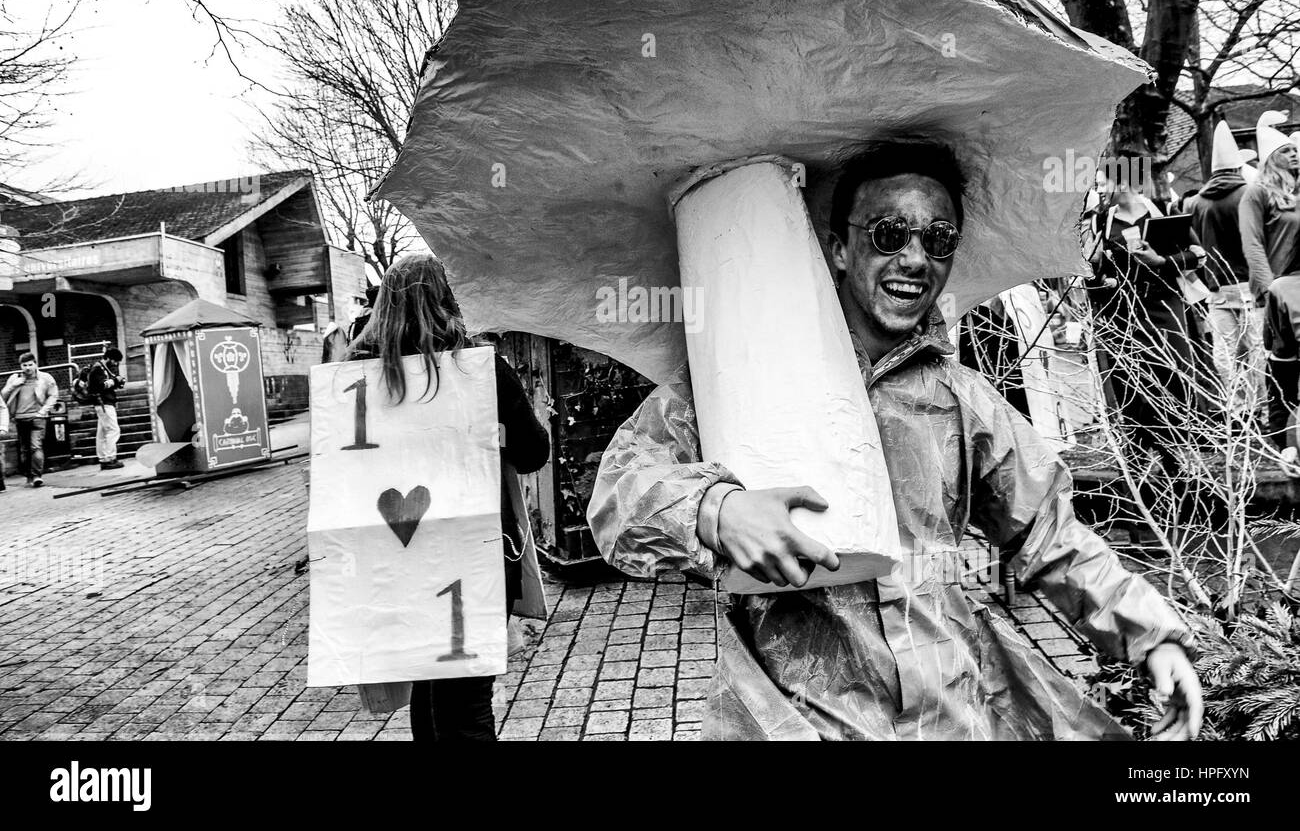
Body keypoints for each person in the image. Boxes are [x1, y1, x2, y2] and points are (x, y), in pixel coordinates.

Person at [588, 140, 1202, 741]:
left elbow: (1051, 535)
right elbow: (619, 493)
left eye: (938, 240)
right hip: (797, 717)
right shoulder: (745, 375)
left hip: (955, 715)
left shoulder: (965, 400)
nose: (914, 258)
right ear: (839, 249)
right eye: (889, 233)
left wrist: (1152, 638)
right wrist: (716, 509)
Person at [346, 254, 550, 741]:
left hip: (398, 552)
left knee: (431, 681)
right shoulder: (480, 368)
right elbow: (533, 452)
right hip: (474, 551)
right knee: (466, 692)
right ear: (446, 299)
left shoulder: (355, 377)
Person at [1087, 172, 1208, 450]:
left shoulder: (1164, 210)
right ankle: (1145, 445)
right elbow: (1092, 272)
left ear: (1122, 181)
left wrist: (1162, 260)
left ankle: (1186, 440)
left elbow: (1199, 256)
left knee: (1175, 371)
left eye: (1102, 183)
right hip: (1122, 312)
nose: (1099, 190)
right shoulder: (1100, 221)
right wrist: (1099, 274)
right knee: (1132, 379)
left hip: (1165, 305)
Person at [1183, 122, 1259, 414]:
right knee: (1255, 351)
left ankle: (1238, 408)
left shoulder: (1195, 203)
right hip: (1251, 285)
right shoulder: (1251, 195)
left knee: (1225, 353)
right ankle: (1261, 408)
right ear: (1238, 169)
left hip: (1216, 288)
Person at [1239, 114, 1300, 464]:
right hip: (1278, 292)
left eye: (1296, 150)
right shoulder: (1256, 193)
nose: (1294, 155)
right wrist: (1269, 289)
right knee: (1280, 368)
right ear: (1271, 157)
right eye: (1286, 150)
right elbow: (1253, 245)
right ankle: (1280, 440)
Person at [2, 353, 59, 488]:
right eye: (24, 365)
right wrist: (13, 385)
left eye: (30, 364)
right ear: (20, 366)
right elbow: (3, 396)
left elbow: (53, 395)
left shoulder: (45, 378)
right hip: (20, 418)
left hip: (37, 417)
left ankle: (37, 476)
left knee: (36, 446)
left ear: (35, 364)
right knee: (24, 449)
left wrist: (43, 411)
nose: (27, 368)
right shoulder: (15, 378)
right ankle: (29, 476)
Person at [86, 348, 126, 471]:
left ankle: (103, 458)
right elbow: (101, 385)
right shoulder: (98, 369)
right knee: (113, 430)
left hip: (102, 403)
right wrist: (115, 381)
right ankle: (110, 458)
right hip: (104, 403)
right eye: (115, 361)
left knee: (102, 432)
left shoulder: (102, 368)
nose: (116, 364)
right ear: (109, 358)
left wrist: (117, 381)